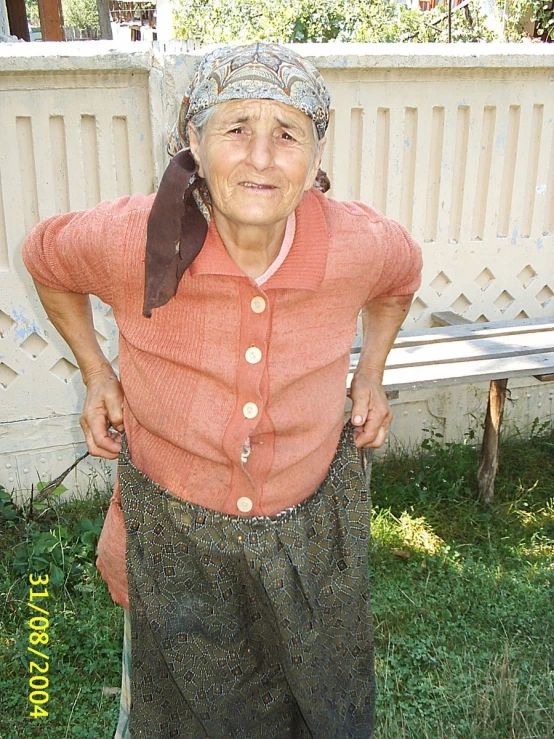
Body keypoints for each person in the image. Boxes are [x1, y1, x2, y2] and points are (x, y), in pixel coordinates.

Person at [23, 42, 422, 739]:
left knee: (318, 702)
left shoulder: (357, 243)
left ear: (316, 152)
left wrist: (372, 376)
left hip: (310, 532)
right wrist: (95, 372)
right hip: (174, 537)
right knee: (183, 714)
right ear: (194, 142)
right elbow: (46, 258)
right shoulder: (132, 238)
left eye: (287, 133)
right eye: (236, 127)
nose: (262, 156)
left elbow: (400, 280)